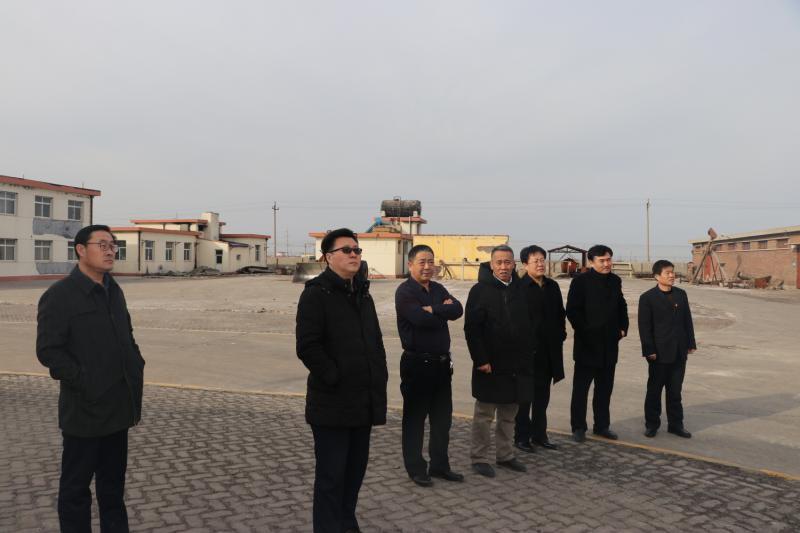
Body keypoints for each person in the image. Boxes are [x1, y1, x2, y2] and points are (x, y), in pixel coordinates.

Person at [36, 224, 145, 533]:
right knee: (75, 490)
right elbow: (49, 351)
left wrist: (136, 363)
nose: (111, 251)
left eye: (113, 245)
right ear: (81, 250)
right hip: (84, 412)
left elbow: (127, 335)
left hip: (118, 408)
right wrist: (84, 381)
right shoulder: (59, 296)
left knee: (113, 489)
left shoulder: (114, 290)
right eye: (102, 245)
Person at [296, 228, 388, 533]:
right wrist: (334, 376)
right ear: (328, 257)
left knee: (353, 475)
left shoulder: (362, 294)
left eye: (357, 250)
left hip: (363, 402)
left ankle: (347, 524)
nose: (354, 255)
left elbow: (375, 343)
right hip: (332, 404)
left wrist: (378, 377)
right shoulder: (316, 294)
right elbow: (308, 346)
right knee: (331, 478)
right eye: (346, 250)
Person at [395, 244, 464, 487]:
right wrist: (442, 311)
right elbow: (420, 319)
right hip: (417, 364)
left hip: (442, 365)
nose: (427, 266)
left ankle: (440, 466)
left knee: (442, 420)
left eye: (431, 261)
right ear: (410, 264)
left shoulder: (437, 288)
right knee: (415, 420)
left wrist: (434, 308)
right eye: (422, 262)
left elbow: (458, 309)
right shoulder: (405, 292)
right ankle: (416, 468)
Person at [464, 245, 532, 478]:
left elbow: (528, 325)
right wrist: (481, 359)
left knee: (508, 414)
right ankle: (479, 457)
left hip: (516, 365)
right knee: (484, 414)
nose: (504, 267)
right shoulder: (479, 291)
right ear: (491, 265)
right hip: (490, 364)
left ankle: (505, 455)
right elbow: (472, 329)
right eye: (499, 262)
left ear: (514, 264)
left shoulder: (520, 290)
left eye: (508, 262)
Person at [566, 244, 628, 443]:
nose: (607, 264)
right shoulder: (580, 281)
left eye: (609, 259)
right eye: (602, 260)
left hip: (609, 345)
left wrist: (623, 328)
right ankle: (578, 427)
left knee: (604, 390)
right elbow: (573, 311)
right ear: (592, 262)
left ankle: (602, 426)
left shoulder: (615, 281)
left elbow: (621, 305)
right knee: (581, 390)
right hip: (587, 346)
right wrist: (587, 332)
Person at [514, 245, 567, 452]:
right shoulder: (518, 288)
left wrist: (560, 334)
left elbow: (560, 313)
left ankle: (539, 435)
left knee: (542, 398)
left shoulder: (552, 286)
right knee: (524, 398)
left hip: (548, 351)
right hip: (527, 353)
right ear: (525, 264)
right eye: (535, 261)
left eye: (542, 260)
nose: (540, 264)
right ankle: (521, 437)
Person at [638, 260, 696, 439]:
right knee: (654, 391)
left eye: (672, 272)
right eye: (667, 273)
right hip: (659, 353)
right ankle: (652, 425)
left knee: (675, 391)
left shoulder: (681, 294)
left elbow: (687, 320)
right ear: (657, 276)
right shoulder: (647, 298)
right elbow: (644, 327)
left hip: (679, 351)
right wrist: (649, 350)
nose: (672, 276)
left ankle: (676, 425)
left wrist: (690, 343)